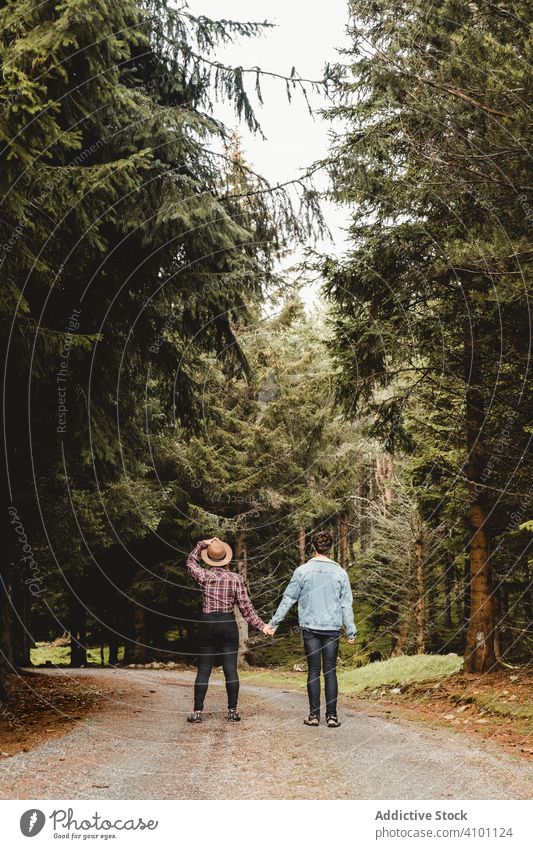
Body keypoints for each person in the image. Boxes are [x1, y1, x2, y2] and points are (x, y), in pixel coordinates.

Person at [268, 530, 356, 728]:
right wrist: (351, 631)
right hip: (332, 628)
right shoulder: (340, 573)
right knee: (330, 671)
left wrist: (274, 623)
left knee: (314, 671)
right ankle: (332, 717)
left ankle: (314, 716)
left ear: (313, 547)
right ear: (330, 548)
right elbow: (345, 604)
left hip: (310, 628)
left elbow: (288, 598)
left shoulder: (302, 571)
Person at [186, 537, 273, 723]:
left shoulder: (204, 576)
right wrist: (262, 626)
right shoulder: (236, 579)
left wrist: (202, 543)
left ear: (209, 559)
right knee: (230, 670)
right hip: (228, 624)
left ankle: (197, 712)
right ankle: (232, 711)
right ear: (226, 559)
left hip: (207, 623)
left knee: (203, 670)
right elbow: (246, 608)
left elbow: (191, 561)